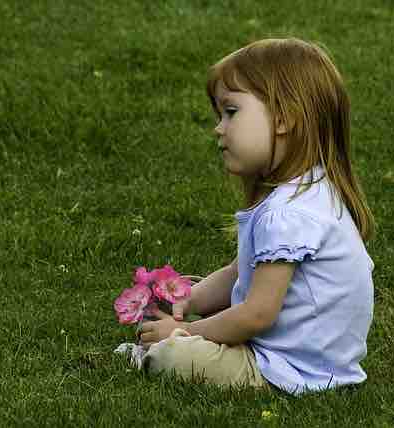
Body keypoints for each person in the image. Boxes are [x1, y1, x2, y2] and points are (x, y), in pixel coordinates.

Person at [137, 38, 375, 395]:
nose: (219, 128)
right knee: (178, 322)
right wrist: (188, 299)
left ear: (284, 119)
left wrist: (183, 332)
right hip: (307, 359)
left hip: (290, 371)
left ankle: (148, 354)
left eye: (231, 112)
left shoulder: (288, 214)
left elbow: (256, 315)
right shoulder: (309, 191)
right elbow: (239, 271)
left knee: (174, 357)